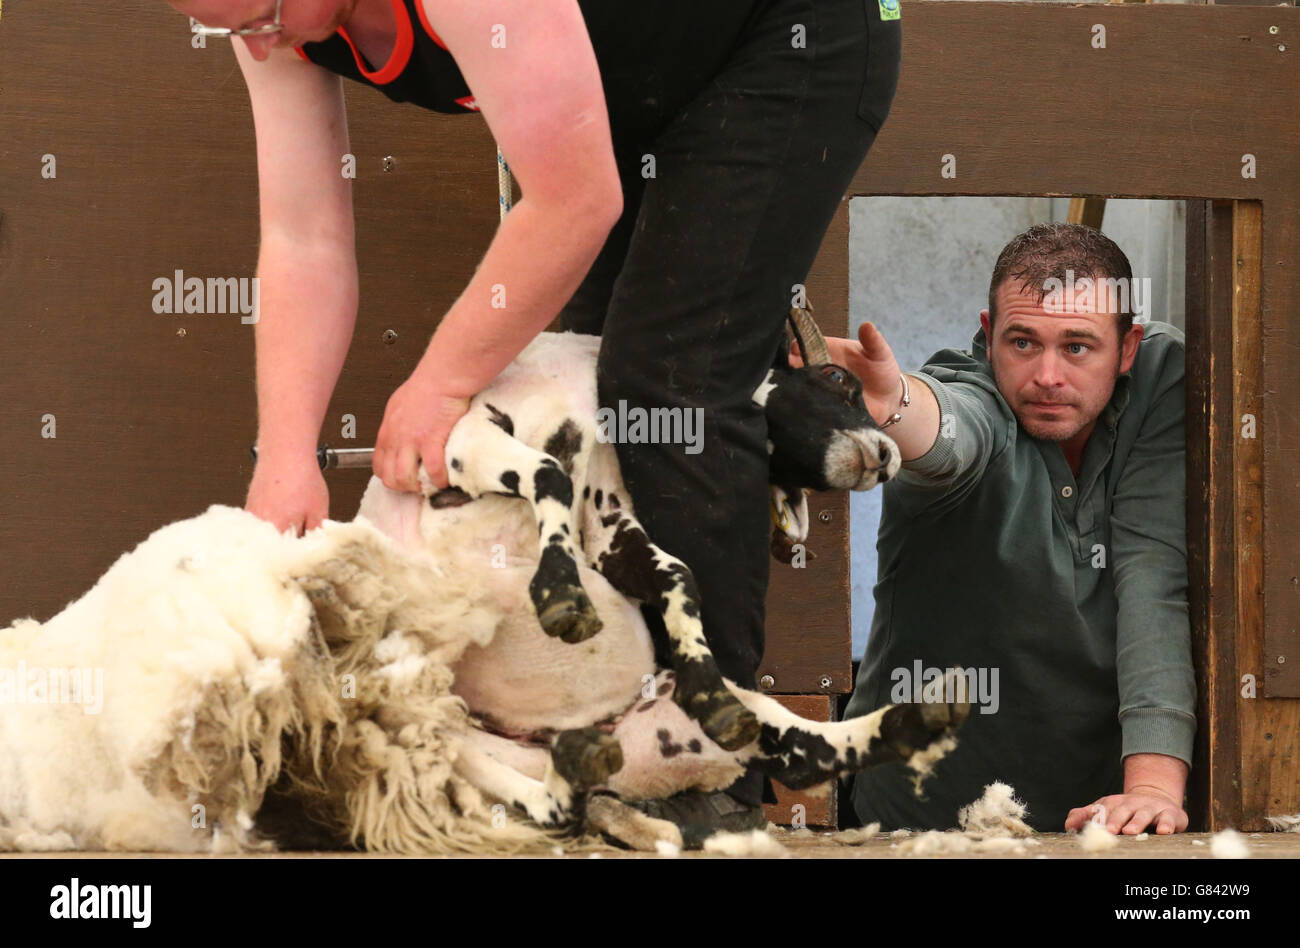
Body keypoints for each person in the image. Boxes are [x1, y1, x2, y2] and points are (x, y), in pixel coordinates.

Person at [169, 0, 901, 838]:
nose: (256, 40)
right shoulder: (265, 22)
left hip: (793, 33)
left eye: (261, 12)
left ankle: (707, 760)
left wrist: (442, 384)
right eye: (229, 27)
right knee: (581, 400)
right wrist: (286, 453)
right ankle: (610, 743)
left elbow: (576, 200)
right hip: (636, 75)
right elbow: (303, 235)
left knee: (669, 382)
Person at [823, 223, 1194, 835]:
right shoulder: (974, 394)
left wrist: (1152, 785)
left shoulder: (1159, 383)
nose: (1047, 375)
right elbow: (949, 436)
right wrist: (894, 407)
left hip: (1102, 820)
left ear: (1126, 349)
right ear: (989, 335)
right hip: (920, 823)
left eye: (1077, 347)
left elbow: (1153, 577)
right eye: (1023, 342)